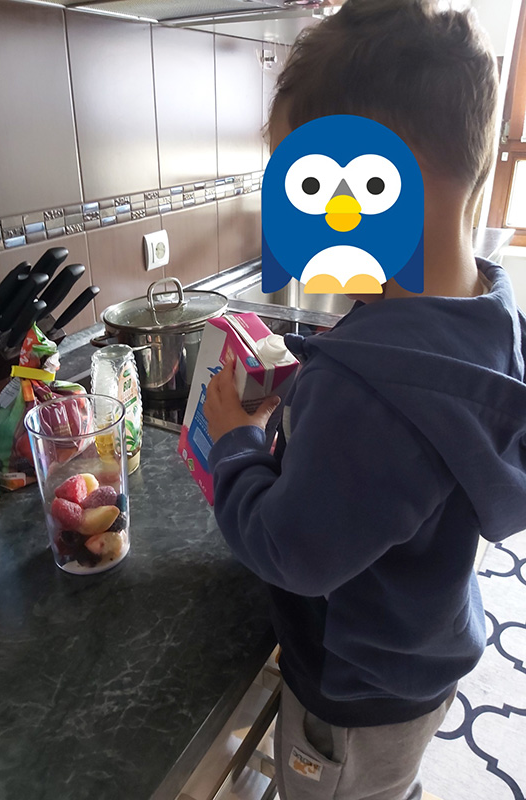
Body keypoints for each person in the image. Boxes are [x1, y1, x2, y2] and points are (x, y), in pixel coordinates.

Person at [203, 1, 526, 798]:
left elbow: (292, 552)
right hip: (421, 652)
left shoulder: (370, 387)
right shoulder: (487, 312)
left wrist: (236, 445)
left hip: (352, 689)